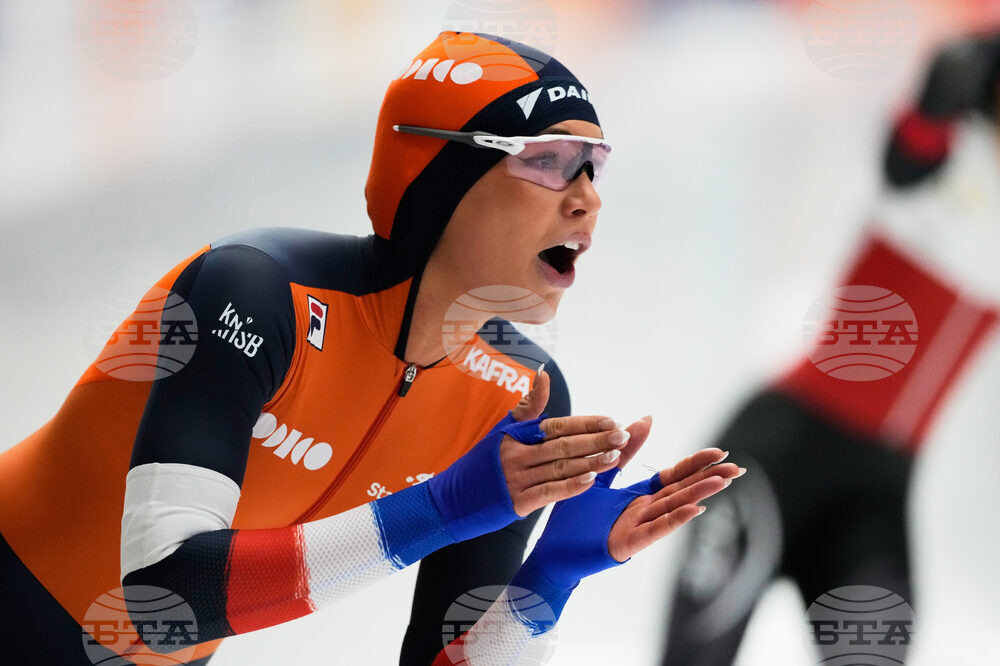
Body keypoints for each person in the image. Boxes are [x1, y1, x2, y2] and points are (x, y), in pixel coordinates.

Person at [0, 31, 742, 665]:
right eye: (547, 160)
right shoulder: (257, 293)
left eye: (593, 166)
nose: (587, 198)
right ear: (435, 176)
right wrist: (444, 508)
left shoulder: (519, 393)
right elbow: (164, 588)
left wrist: (549, 580)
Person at [659, 32, 1000, 665]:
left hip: (875, 490)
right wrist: (946, 87)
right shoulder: (946, 159)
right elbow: (908, 152)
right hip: (778, 456)